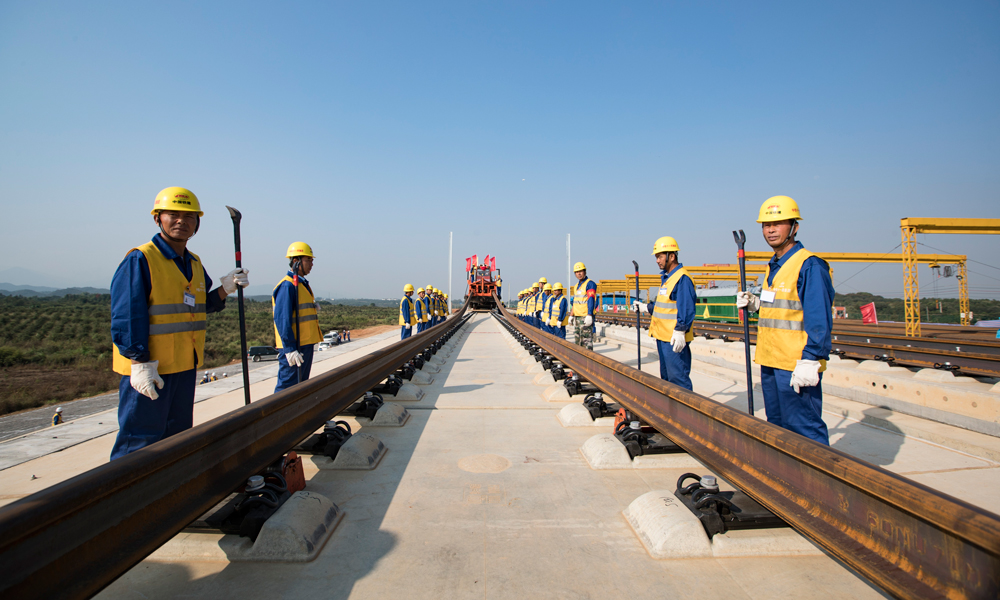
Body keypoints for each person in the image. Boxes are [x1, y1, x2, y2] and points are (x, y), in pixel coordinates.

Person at [110, 186, 249, 460]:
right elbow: (127, 315)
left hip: (184, 367)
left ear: (197, 223)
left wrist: (226, 289)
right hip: (150, 369)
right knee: (139, 444)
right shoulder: (141, 259)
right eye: (173, 215)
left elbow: (199, 307)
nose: (181, 221)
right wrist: (139, 363)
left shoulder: (194, 263)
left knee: (177, 440)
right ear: (157, 218)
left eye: (189, 216)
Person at [736, 196, 834, 445]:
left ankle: (816, 471)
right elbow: (783, 310)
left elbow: (819, 317)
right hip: (771, 361)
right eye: (766, 225)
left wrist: (812, 359)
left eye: (778, 224)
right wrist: (756, 305)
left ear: (794, 227)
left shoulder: (809, 265)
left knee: (804, 429)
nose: (771, 230)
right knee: (777, 427)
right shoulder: (773, 266)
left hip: (795, 364)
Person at [633, 237, 696, 390]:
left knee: (678, 380)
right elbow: (664, 307)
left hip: (674, 339)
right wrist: (646, 307)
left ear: (671, 256)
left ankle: (684, 406)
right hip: (663, 337)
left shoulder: (682, 278)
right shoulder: (667, 278)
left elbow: (686, 308)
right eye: (656, 257)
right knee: (667, 379)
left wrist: (680, 330)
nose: (657, 260)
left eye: (660, 256)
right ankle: (670, 406)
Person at [273, 241, 323, 393]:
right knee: (287, 389)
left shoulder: (301, 284)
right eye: (308, 260)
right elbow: (282, 319)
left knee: (300, 388)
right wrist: (290, 349)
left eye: (312, 260)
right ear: (296, 261)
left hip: (305, 344)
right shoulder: (287, 286)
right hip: (295, 347)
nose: (312, 264)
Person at [572, 262, 597, 350]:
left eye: (580, 271)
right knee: (578, 342)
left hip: (585, 317)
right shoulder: (576, 286)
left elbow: (591, 299)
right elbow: (575, 302)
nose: (579, 274)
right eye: (576, 272)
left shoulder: (590, 284)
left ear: (585, 271)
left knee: (586, 342)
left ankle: (588, 359)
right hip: (577, 317)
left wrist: (589, 315)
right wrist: (571, 315)